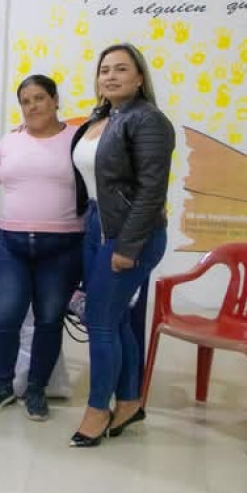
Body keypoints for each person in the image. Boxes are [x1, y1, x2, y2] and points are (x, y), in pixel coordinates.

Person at [70, 43, 174, 447]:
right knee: (113, 321)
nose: (110, 76)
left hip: (130, 233)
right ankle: (129, 402)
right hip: (96, 226)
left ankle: (98, 409)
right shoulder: (104, 116)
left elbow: (151, 191)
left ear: (140, 77)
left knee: (100, 321)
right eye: (104, 70)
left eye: (120, 69)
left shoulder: (148, 120)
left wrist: (127, 247)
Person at [0, 75, 84, 421]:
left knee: (49, 321)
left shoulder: (77, 140)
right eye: (25, 101)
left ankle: (36, 389)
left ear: (54, 100)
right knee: (5, 318)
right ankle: (1, 385)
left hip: (62, 248)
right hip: (12, 246)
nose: (32, 106)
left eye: (39, 98)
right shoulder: (10, 141)